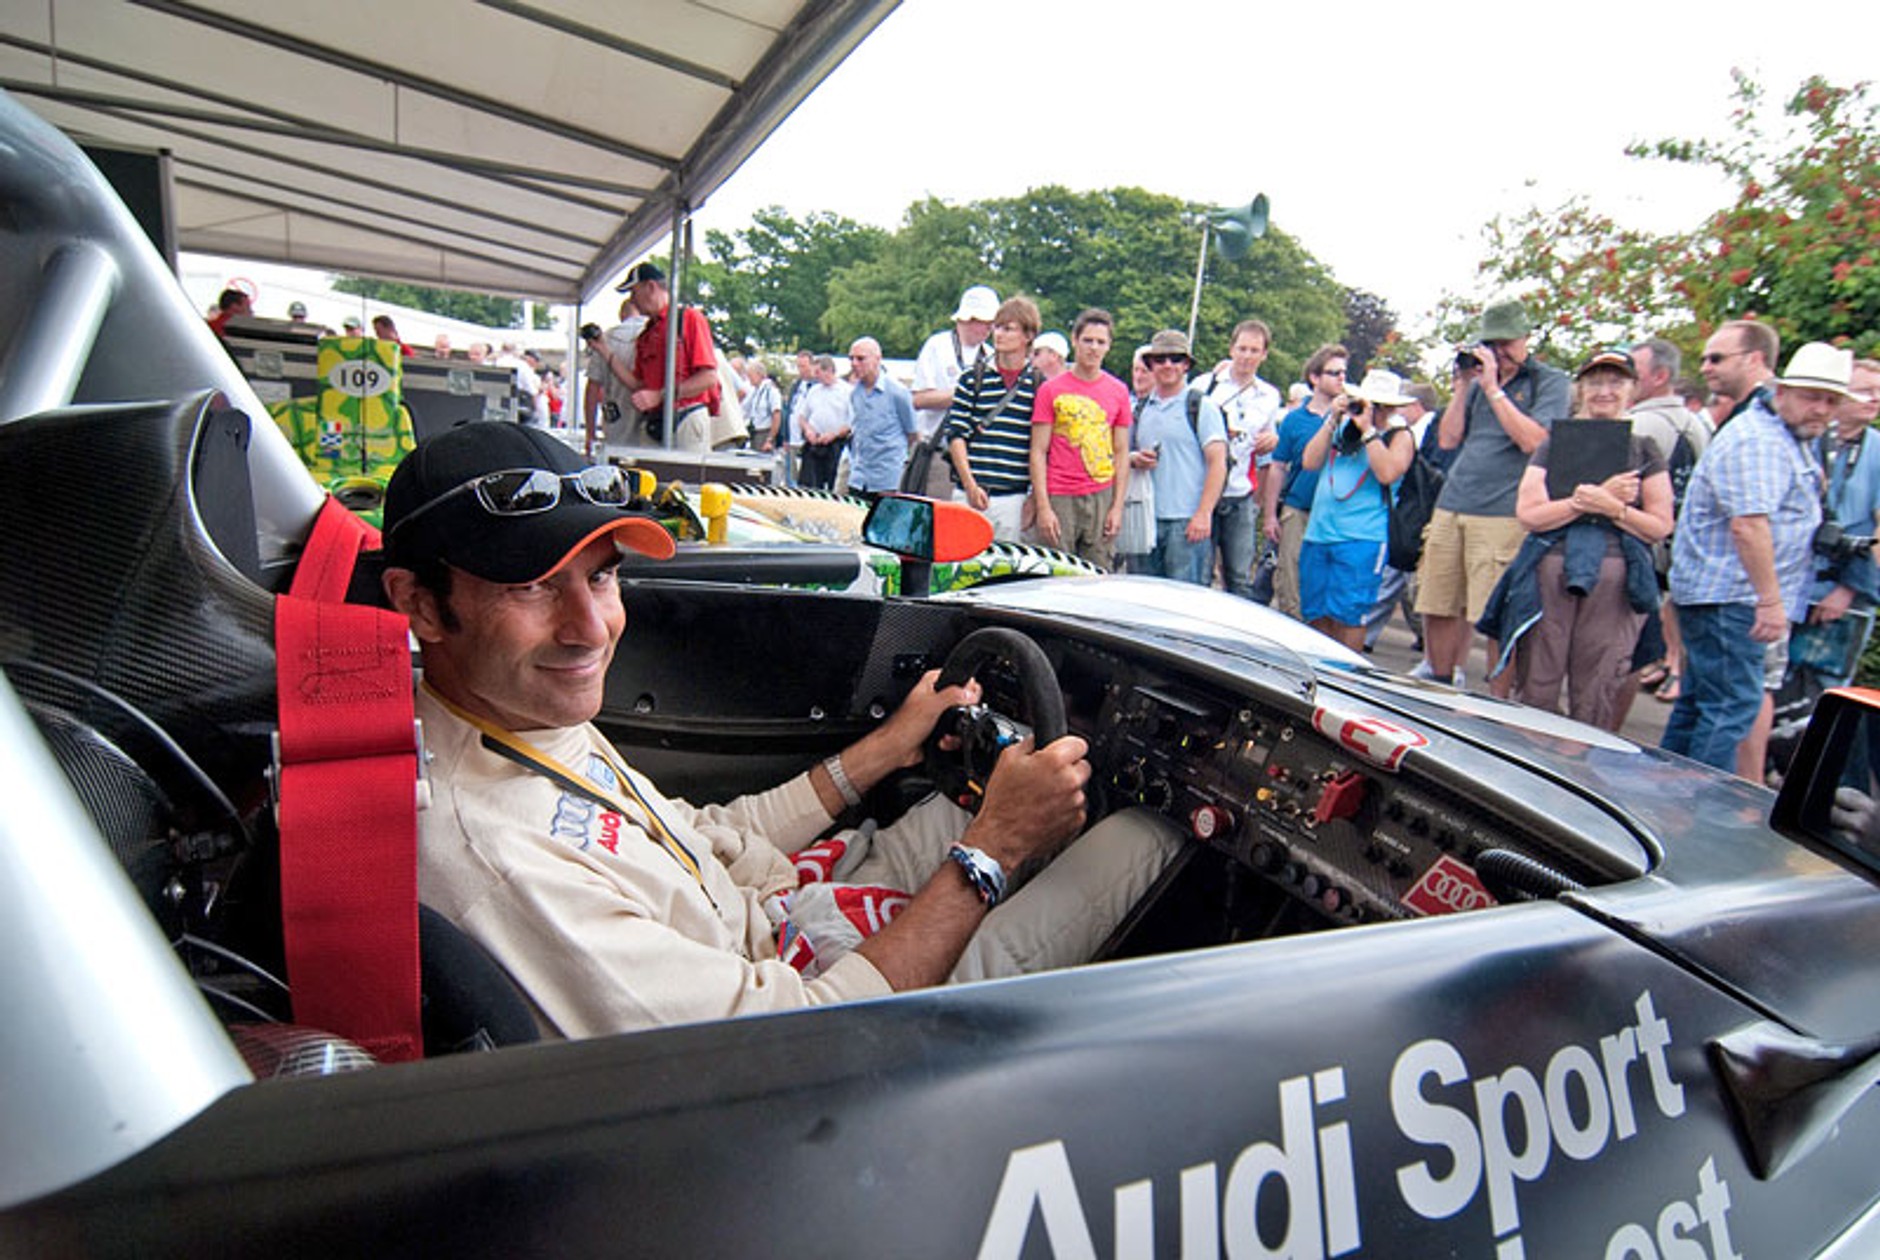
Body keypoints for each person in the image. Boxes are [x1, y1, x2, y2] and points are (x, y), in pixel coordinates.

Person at [376, 423, 1176, 1038]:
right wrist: (991, 854)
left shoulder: (515, 719)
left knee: (993, 796)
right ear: (419, 603)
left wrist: (893, 747)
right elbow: (795, 1035)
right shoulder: (498, 856)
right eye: (531, 588)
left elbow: (707, 836)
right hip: (822, 1022)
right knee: (1140, 834)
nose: (591, 630)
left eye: (603, 575)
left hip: (784, 911)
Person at [1662, 342, 1850, 774]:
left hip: (1727, 595)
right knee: (1732, 707)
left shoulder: (1785, 437)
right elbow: (1748, 525)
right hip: (1732, 596)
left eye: (1831, 400)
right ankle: (1699, 808)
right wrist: (1769, 600)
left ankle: (1664, 797)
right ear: (1782, 392)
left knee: (1701, 702)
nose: (1822, 408)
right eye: (1812, 396)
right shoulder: (1761, 441)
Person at [1486, 350, 1673, 730]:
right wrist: (1584, 501)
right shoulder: (1554, 443)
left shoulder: (1644, 448)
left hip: (1618, 578)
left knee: (1597, 688)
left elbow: (1659, 525)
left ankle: (1577, 774)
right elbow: (1530, 514)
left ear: (1632, 390)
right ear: (1580, 389)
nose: (1604, 391)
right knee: (1537, 681)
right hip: (1550, 568)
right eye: (1595, 382)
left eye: (1615, 382)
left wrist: (1614, 509)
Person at [1415, 299, 1571, 693]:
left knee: (1493, 609)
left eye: (1506, 343)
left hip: (1504, 510)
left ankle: (1497, 698)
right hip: (1454, 501)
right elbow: (1449, 439)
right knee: (1438, 599)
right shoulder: (1477, 383)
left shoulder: (1549, 382)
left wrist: (1494, 390)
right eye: (1491, 343)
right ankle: (1439, 681)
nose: (1498, 352)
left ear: (1525, 339)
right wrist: (1465, 385)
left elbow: (1535, 441)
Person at [1295, 369, 1418, 649]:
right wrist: (1332, 421)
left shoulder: (1398, 436)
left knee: (1349, 615)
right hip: (1319, 533)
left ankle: (1344, 678)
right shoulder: (1341, 430)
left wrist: (1369, 432)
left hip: (1362, 538)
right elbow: (1310, 462)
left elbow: (1387, 472)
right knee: (1315, 611)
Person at [1625, 337, 1714, 706]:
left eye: (1633, 370)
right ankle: (1674, 668)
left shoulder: (1638, 423)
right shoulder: (1696, 425)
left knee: (1628, 638)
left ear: (1660, 376)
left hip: (1639, 541)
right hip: (1680, 543)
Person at [1786, 358, 1880, 695]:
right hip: (1794, 581)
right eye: (1865, 391)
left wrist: (1849, 590)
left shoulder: (1876, 450)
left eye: (1879, 392)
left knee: (1821, 689)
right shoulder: (1805, 440)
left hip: (1846, 587)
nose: (1875, 399)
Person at [1029, 308, 1133, 569]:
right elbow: (1039, 451)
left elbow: (1121, 451)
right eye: (1088, 340)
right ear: (1075, 341)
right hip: (1060, 494)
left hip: (1101, 493)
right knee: (1057, 573)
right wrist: (1043, 507)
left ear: (1109, 346)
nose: (1093, 348)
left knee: (1098, 573)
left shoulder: (1118, 391)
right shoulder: (1050, 390)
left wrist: (1117, 506)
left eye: (1101, 342)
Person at [1130, 330, 1227, 584]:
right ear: (1150, 364)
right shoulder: (1139, 409)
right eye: (1160, 359)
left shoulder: (1201, 406)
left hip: (1187, 522)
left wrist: (1204, 513)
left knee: (1187, 602)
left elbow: (1218, 462)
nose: (1167, 365)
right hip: (1144, 517)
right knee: (1143, 599)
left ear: (1186, 365)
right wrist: (1135, 458)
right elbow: (1121, 455)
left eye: (1175, 359)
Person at [1195, 319, 1283, 600]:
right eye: (1242, 348)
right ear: (1231, 349)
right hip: (1202, 491)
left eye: (1254, 350)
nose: (1247, 356)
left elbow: (1268, 449)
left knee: (1239, 576)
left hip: (1240, 493)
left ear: (1264, 355)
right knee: (1201, 573)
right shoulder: (1206, 385)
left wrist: (1273, 439)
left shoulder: (1269, 396)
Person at [943, 297, 1043, 541]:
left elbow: (1042, 447)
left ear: (1027, 335)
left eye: (1008, 328)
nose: (999, 334)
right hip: (969, 492)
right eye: (997, 327)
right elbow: (956, 435)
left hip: (1013, 497)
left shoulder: (1039, 385)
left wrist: (1034, 498)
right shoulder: (972, 378)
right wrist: (969, 485)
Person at [1265, 345, 1349, 618]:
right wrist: (1269, 516)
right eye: (1333, 372)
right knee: (1290, 581)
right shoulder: (1294, 420)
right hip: (1299, 507)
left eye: (1344, 373)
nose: (1340, 379)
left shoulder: (1352, 419)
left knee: (1326, 587)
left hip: (1336, 513)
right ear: (1314, 377)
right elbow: (1278, 467)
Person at [615, 261, 721, 453]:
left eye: (634, 292)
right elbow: (639, 384)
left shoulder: (688, 319)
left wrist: (659, 395)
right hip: (655, 422)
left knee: (687, 480)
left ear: (650, 287)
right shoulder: (646, 334)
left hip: (686, 416)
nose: (633, 300)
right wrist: (605, 352)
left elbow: (708, 377)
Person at [911, 286, 999, 495]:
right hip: (940, 454)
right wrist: (963, 395)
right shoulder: (937, 346)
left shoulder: (991, 355)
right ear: (968, 319)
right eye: (985, 322)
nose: (990, 328)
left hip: (978, 458)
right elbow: (919, 399)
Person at [844, 338, 918, 497]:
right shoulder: (855, 393)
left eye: (861, 358)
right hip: (859, 477)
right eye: (851, 358)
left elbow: (912, 433)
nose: (854, 363)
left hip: (887, 479)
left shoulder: (897, 392)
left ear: (877, 359)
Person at [582, 298, 648, 450]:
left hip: (616, 423)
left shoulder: (604, 339)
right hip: (651, 426)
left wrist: (590, 434)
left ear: (622, 314)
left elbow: (592, 389)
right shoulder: (657, 334)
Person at [796, 354, 850, 491]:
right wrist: (808, 430)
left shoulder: (847, 391)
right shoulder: (814, 391)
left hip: (835, 444)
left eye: (818, 372)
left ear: (830, 370)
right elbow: (802, 416)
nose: (816, 376)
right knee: (809, 486)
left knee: (834, 486)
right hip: (815, 443)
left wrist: (835, 434)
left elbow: (852, 423)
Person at [742, 358, 783, 454]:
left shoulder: (771, 391)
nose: (749, 379)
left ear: (759, 375)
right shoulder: (754, 392)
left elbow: (776, 415)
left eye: (751, 376)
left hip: (765, 432)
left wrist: (770, 439)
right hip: (754, 432)